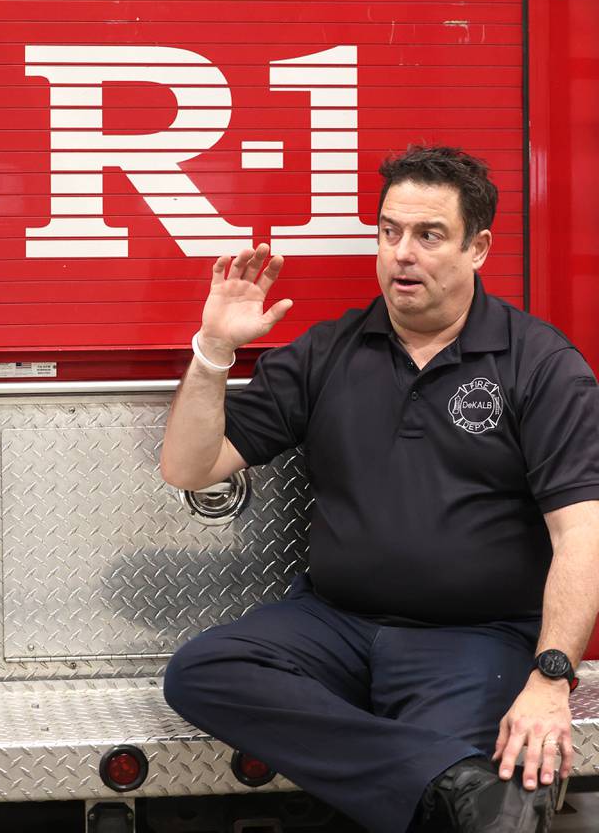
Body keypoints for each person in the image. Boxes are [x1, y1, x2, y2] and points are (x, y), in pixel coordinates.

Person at [160, 145, 599, 833]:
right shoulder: (327, 351)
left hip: (472, 639)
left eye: (428, 235)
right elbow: (191, 468)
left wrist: (549, 678)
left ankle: (436, 781)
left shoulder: (539, 365)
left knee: (426, 797)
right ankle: (453, 782)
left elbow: (582, 533)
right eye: (389, 232)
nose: (402, 254)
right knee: (204, 671)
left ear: (477, 248)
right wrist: (213, 350)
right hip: (335, 623)